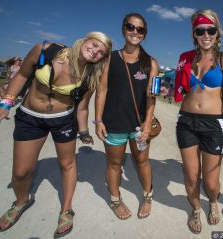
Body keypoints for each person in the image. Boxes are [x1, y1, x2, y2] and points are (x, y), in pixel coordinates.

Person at [0, 32, 112, 238]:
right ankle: (21, 201)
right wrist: (5, 103)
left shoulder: (90, 74)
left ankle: (66, 209)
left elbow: (82, 108)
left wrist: (84, 132)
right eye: (94, 44)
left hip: (63, 120)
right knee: (21, 172)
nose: (95, 51)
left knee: (67, 165)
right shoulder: (46, 50)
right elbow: (21, 75)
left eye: (101, 52)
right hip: (30, 117)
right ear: (84, 40)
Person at [173, 10, 223, 234]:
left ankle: (213, 201)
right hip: (186, 121)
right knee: (190, 175)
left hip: (213, 125)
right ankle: (196, 209)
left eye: (211, 30)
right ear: (194, 34)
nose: (206, 34)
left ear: (217, 33)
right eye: (200, 30)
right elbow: (180, 90)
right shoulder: (185, 57)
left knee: (210, 182)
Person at [95, 13, 158, 220]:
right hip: (113, 123)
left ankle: (148, 196)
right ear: (124, 29)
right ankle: (115, 199)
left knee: (142, 162)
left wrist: (148, 125)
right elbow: (102, 90)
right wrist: (98, 120)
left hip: (139, 125)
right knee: (114, 163)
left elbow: (151, 97)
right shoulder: (109, 58)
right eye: (131, 27)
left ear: (145, 34)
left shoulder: (151, 63)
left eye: (140, 29)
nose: (135, 32)